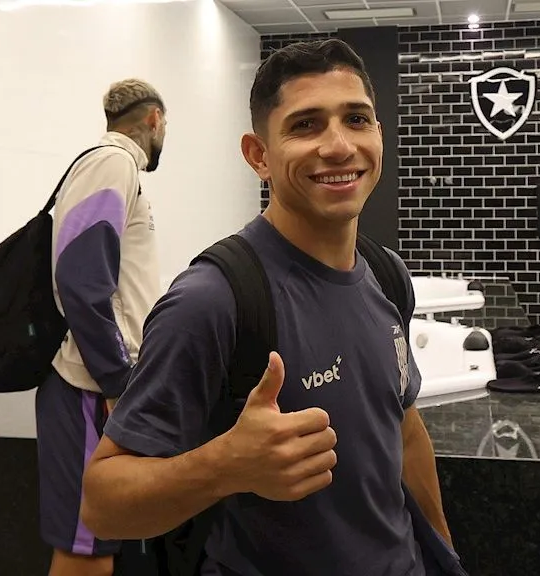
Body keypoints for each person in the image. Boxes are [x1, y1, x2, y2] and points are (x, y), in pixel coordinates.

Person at [80, 39, 460, 576]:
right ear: (259, 155)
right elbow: (103, 503)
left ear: (378, 134)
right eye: (305, 125)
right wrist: (224, 466)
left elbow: (403, 428)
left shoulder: (388, 274)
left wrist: (443, 554)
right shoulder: (213, 300)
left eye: (356, 119)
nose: (338, 145)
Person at [38, 78, 168, 576]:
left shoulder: (116, 168)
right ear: (154, 118)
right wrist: (116, 381)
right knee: (84, 545)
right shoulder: (113, 162)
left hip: (96, 384)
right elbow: (79, 277)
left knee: (98, 540)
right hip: (88, 387)